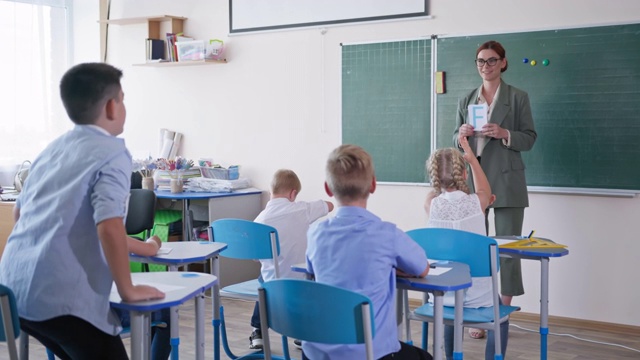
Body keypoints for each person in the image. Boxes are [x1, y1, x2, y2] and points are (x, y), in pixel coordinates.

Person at [0, 62, 166, 359]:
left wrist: (145, 247)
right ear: (112, 107)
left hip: (14, 289)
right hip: (62, 299)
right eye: (123, 99)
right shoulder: (113, 152)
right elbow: (108, 225)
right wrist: (127, 289)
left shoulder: (52, 149)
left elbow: (25, 217)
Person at [304, 144, 432, 360]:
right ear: (373, 185)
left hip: (317, 353)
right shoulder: (387, 234)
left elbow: (314, 271)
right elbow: (423, 268)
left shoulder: (316, 232)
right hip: (369, 353)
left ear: (328, 188)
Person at [453, 40, 537, 309]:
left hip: (508, 181)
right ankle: (480, 306)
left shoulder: (517, 97)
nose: (485, 66)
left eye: (491, 60)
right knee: (476, 248)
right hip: (474, 181)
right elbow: (455, 137)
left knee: (508, 249)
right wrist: (461, 135)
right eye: (480, 61)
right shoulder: (466, 99)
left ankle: (502, 310)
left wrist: (505, 134)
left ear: (503, 62)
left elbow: (529, 138)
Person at [424, 137, 508, 360]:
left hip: (442, 294)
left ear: (434, 177)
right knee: (501, 315)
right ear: (463, 175)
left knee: (452, 304)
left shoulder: (431, 204)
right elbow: (485, 189)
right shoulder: (476, 202)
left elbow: (436, 194)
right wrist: (473, 160)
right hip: (479, 296)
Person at [248, 169, 334, 349]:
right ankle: (303, 333)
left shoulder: (259, 220)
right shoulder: (302, 209)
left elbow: (256, 257)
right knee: (314, 282)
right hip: (298, 281)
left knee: (262, 281)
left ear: (271, 191)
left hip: (271, 283)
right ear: (293, 193)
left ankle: (258, 330)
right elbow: (329, 205)